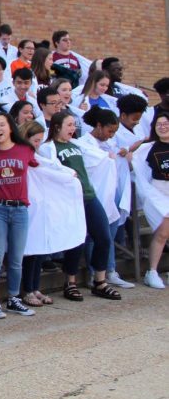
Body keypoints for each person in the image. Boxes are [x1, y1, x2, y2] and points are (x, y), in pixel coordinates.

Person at [41, 111, 121, 300]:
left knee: (103, 236)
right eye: (69, 125)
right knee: (76, 240)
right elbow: (48, 169)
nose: (73, 128)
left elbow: (96, 159)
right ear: (57, 127)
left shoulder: (77, 144)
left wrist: (106, 157)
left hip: (88, 195)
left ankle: (100, 282)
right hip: (70, 199)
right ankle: (70, 282)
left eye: (74, 125)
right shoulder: (49, 147)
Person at [0, 112, 38, 318]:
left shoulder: (25, 150)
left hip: (20, 209)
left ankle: (14, 298)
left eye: (1, 125)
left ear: (10, 127)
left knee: (16, 258)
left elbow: (43, 168)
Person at [79, 106, 135, 289]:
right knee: (93, 237)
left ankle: (109, 270)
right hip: (93, 195)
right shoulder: (84, 143)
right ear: (99, 126)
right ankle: (93, 272)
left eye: (114, 132)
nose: (111, 135)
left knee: (107, 236)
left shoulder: (111, 144)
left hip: (109, 195)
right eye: (109, 131)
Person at [16, 120, 54, 307]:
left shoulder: (33, 153)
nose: (38, 144)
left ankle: (35, 286)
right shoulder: (22, 152)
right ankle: (27, 289)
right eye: (36, 140)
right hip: (26, 204)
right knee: (29, 250)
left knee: (38, 248)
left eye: (40, 140)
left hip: (39, 205)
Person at [133, 111, 169, 288]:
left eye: (166, 123)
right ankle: (152, 271)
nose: (162, 127)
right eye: (159, 124)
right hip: (159, 191)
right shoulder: (150, 147)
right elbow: (133, 159)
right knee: (163, 231)